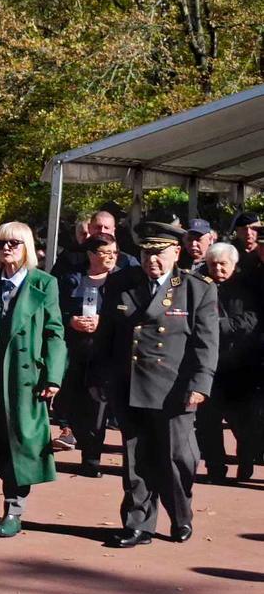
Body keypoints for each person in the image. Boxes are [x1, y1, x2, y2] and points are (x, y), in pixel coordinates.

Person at [91, 214, 219, 548]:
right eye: (147, 253)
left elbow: (206, 343)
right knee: (136, 458)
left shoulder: (196, 289)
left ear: (176, 252)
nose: (152, 260)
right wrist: (100, 376)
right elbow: (106, 335)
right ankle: (138, 524)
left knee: (178, 459)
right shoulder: (122, 283)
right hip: (130, 383)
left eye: (159, 253)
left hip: (174, 389)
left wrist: (201, 383)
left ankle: (180, 515)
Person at [0, 221, 66, 537]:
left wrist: (53, 376)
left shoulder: (44, 283)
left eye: (13, 243)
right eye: (1, 244)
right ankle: (11, 500)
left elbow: (54, 332)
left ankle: (13, 509)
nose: (6, 249)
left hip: (27, 378)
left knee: (22, 444)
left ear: (27, 247)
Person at [56, 234, 121, 476]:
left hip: (104, 354)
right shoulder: (73, 280)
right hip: (74, 351)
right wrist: (71, 321)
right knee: (73, 404)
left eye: (114, 252)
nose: (111, 257)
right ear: (91, 255)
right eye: (105, 253)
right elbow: (55, 310)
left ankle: (91, 459)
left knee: (97, 406)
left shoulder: (121, 281)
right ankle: (80, 439)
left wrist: (103, 322)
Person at [196, 243, 259, 483]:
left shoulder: (245, 287)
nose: (218, 269)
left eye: (223, 264)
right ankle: (215, 469)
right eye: (213, 264)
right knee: (207, 422)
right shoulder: (199, 284)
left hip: (238, 366)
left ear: (234, 264)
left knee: (242, 423)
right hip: (207, 366)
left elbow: (251, 319)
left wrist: (220, 326)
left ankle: (246, 461)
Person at [51, 210, 139, 279]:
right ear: (89, 228)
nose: (102, 231)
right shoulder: (70, 257)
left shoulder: (126, 260)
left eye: (106, 228)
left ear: (113, 231)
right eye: (98, 227)